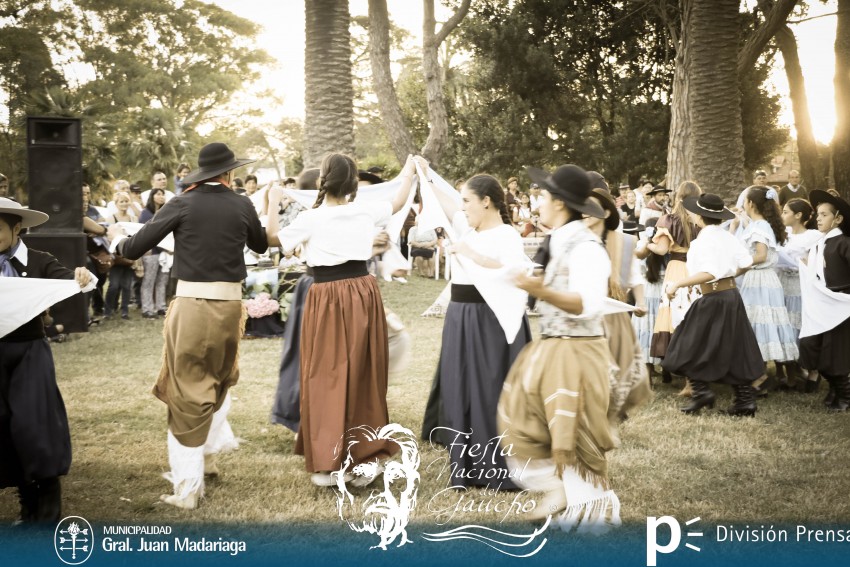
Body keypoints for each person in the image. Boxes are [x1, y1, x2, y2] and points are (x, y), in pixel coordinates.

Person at [108, 142, 267, 509]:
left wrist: (117, 241)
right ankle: (206, 459)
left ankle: (188, 487)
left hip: (193, 305)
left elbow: (134, 248)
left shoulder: (181, 203)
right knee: (218, 376)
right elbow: (258, 245)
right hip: (230, 306)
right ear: (228, 174)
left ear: (200, 174)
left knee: (186, 389)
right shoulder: (242, 203)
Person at [265, 153, 415, 486]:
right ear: (352, 184)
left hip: (329, 296)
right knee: (363, 373)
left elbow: (271, 239)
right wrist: (408, 168)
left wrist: (273, 201)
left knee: (326, 374)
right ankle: (363, 457)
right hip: (362, 293)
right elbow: (399, 199)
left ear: (322, 181)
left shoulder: (312, 217)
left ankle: (332, 459)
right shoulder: (364, 210)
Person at [498, 164, 620, 533]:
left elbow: (588, 303)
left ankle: (591, 520)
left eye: (544, 196)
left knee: (576, 433)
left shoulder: (586, 246)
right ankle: (556, 488)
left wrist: (541, 291)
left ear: (559, 203)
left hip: (579, 352)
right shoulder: (560, 240)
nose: (538, 202)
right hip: (554, 347)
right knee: (521, 420)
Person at [420, 171, 532, 490]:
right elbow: (446, 204)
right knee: (460, 387)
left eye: (468, 201)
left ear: (486, 202)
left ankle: (494, 466)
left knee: (488, 389)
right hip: (460, 316)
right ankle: (465, 465)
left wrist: (474, 255)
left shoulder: (506, 235)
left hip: (489, 319)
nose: (463, 207)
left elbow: (515, 272)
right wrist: (425, 174)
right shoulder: (466, 226)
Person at [0, 197, 95, 522]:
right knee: (2, 424)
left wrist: (82, 276)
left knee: (35, 421)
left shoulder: (39, 260)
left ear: (16, 228)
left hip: (29, 352)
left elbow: (72, 280)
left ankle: (50, 500)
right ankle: (27, 501)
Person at [662, 194, 764, 416]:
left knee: (687, 343)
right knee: (736, 347)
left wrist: (676, 285)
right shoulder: (728, 238)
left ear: (700, 216)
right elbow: (746, 263)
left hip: (714, 298)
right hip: (731, 296)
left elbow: (708, 272)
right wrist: (728, 276)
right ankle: (743, 401)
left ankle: (703, 392)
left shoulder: (702, 241)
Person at [734, 186, 799, 392]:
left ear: (751, 204)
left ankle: (759, 376)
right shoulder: (763, 225)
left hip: (759, 279)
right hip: (765, 279)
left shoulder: (757, 227)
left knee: (756, 323)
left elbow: (760, 255)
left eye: (744, 200)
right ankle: (759, 374)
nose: (743, 204)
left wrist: (740, 264)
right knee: (759, 324)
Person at [641, 181, 702, 384]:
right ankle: (692, 380)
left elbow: (660, 250)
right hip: (695, 271)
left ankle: (686, 378)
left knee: (676, 318)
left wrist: (646, 242)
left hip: (676, 270)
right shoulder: (700, 222)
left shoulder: (669, 220)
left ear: (678, 198)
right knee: (692, 318)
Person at [799, 190, 850, 411]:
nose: (818, 218)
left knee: (835, 354)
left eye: (824, 214)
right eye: (817, 214)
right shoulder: (821, 243)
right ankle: (834, 389)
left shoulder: (844, 243)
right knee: (813, 346)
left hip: (841, 306)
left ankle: (845, 396)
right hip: (821, 306)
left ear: (838, 218)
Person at [777, 198, 822, 391]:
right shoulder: (782, 234)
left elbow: (817, 262)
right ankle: (791, 375)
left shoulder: (813, 236)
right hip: (782, 285)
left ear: (798, 215)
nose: (782, 215)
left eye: (786, 212)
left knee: (800, 327)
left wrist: (803, 263)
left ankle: (812, 371)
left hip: (801, 287)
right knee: (785, 327)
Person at [104, 191, 138, 320]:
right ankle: (107, 311)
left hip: (129, 255)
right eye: (121, 201)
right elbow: (108, 238)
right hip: (116, 257)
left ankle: (125, 311)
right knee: (114, 285)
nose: (124, 204)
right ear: (116, 204)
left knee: (126, 285)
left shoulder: (133, 219)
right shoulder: (111, 218)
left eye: (126, 201)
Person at [138, 187, 169, 318]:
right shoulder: (145, 213)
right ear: (152, 196)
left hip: (166, 252)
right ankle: (147, 309)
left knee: (162, 281)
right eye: (158, 194)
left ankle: (161, 306)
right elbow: (143, 232)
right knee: (149, 281)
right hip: (151, 252)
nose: (161, 196)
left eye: (163, 194)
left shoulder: (166, 212)